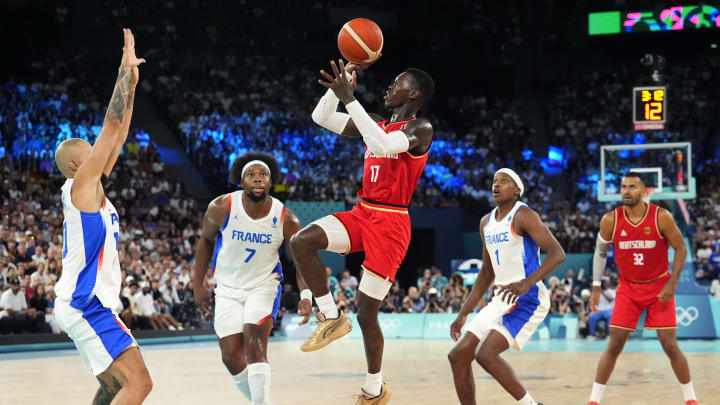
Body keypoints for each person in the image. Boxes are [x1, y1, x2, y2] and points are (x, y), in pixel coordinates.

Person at [290, 56, 435, 403]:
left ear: (413, 92)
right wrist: (342, 88)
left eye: (397, 82)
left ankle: (374, 388)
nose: (389, 86)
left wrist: (351, 98)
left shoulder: (421, 128)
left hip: (391, 223)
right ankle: (331, 316)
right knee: (301, 241)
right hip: (363, 210)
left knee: (367, 312)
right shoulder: (375, 123)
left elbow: (385, 146)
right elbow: (320, 117)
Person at [52, 29, 152, 404]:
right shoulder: (80, 189)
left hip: (85, 302)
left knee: (113, 385)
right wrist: (123, 71)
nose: (99, 152)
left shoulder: (91, 187)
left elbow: (120, 130)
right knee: (139, 385)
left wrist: (133, 84)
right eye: (91, 150)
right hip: (86, 303)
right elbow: (109, 127)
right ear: (78, 163)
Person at [192, 152, 308, 405]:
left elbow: (300, 261)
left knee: (255, 344)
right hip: (227, 288)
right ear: (241, 181)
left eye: (262, 175)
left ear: (271, 182)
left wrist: (306, 295)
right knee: (231, 357)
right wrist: (197, 284)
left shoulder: (287, 218)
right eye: (251, 175)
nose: (257, 179)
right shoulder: (221, 207)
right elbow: (205, 242)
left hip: (263, 285)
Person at [447, 169, 566, 405]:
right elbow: (486, 274)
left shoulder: (524, 215)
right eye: (494, 181)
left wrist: (525, 283)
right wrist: (463, 314)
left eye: (504, 181)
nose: (497, 185)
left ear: (517, 190)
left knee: (485, 355)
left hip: (529, 298)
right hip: (502, 298)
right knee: (458, 356)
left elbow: (558, 254)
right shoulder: (486, 223)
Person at [587, 172, 697, 405]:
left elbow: (681, 249)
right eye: (624, 186)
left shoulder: (662, 217)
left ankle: (691, 399)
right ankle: (593, 401)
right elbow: (600, 252)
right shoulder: (610, 220)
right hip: (628, 288)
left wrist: (672, 282)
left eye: (632, 187)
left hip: (659, 287)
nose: (626, 191)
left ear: (644, 191)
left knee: (669, 345)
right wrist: (596, 285)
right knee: (615, 342)